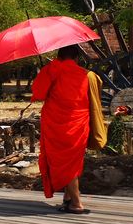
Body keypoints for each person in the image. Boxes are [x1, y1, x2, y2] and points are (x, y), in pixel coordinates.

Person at [31, 44, 107, 214]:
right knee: (72, 162)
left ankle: (77, 203)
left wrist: (47, 73)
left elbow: (38, 94)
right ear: (77, 58)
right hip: (79, 124)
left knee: (62, 163)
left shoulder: (52, 69)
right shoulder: (88, 75)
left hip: (56, 125)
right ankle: (68, 198)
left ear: (59, 55)